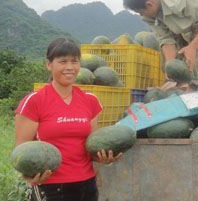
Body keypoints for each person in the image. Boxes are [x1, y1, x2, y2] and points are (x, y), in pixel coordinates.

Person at [14, 37, 122, 201]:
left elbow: (91, 147)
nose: (70, 67)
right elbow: (21, 151)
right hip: (50, 186)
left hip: (86, 184)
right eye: (63, 62)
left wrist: (103, 157)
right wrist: (28, 175)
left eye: (74, 61)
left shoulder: (90, 101)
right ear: (49, 65)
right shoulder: (34, 101)